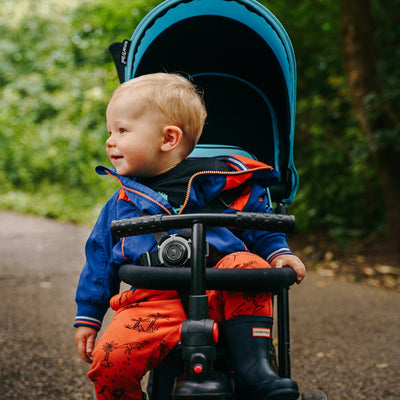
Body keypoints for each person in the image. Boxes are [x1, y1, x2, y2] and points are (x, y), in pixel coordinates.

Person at [74, 72, 306, 400]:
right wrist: (89, 315)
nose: (110, 140)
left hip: (225, 296)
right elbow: (99, 260)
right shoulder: (121, 203)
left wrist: (279, 253)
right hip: (151, 304)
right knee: (109, 363)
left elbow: (261, 228)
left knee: (247, 261)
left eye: (122, 130)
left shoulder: (224, 185)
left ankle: (257, 370)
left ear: (168, 138)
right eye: (110, 131)